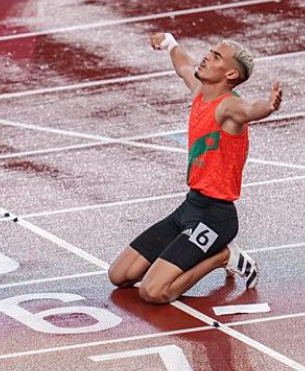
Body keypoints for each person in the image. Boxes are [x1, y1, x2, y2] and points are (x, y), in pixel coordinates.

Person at [108, 33, 282, 304]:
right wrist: (169, 41)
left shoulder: (230, 107)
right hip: (190, 207)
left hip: (215, 218)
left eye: (216, 57)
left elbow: (250, 109)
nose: (206, 57)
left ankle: (223, 256)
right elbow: (184, 65)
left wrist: (268, 108)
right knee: (119, 275)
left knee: (153, 292)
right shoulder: (201, 92)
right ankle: (202, 254)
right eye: (210, 52)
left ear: (231, 73)